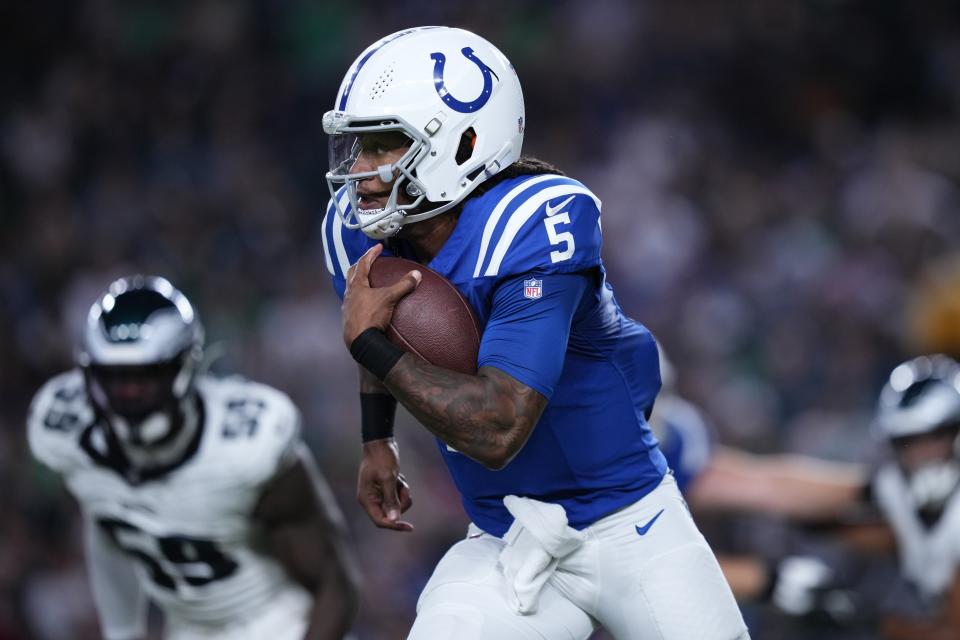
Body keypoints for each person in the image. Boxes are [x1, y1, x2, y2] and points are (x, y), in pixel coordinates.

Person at [321, 26, 748, 640]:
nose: (360, 172)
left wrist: (369, 346)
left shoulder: (537, 221)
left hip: (630, 521)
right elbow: (387, 320)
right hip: (503, 535)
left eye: (384, 146)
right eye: (357, 146)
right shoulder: (353, 232)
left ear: (464, 142)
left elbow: (498, 428)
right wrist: (375, 437)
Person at [27, 275, 360, 640]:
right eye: (116, 377)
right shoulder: (65, 432)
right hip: (188, 629)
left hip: (277, 624)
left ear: (185, 366)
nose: (129, 394)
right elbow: (108, 521)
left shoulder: (245, 448)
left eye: (146, 376)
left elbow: (333, 584)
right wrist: (122, 632)